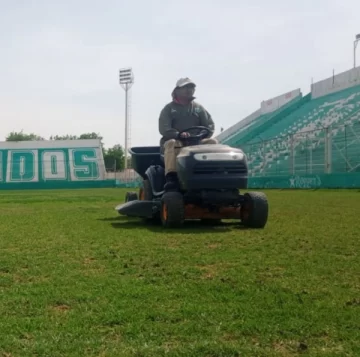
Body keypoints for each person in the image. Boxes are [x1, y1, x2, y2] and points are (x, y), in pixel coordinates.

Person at [158, 77, 218, 190]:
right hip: (177, 141)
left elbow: (209, 125)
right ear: (177, 90)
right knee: (171, 143)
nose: (189, 89)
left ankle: (213, 173)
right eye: (185, 87)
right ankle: (172, 176)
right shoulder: (169, 109)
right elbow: (164, 128)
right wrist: (177, 134)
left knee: (213, 142)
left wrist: (203, 134)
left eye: (191, 87)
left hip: (197, 141)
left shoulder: (199, 108)